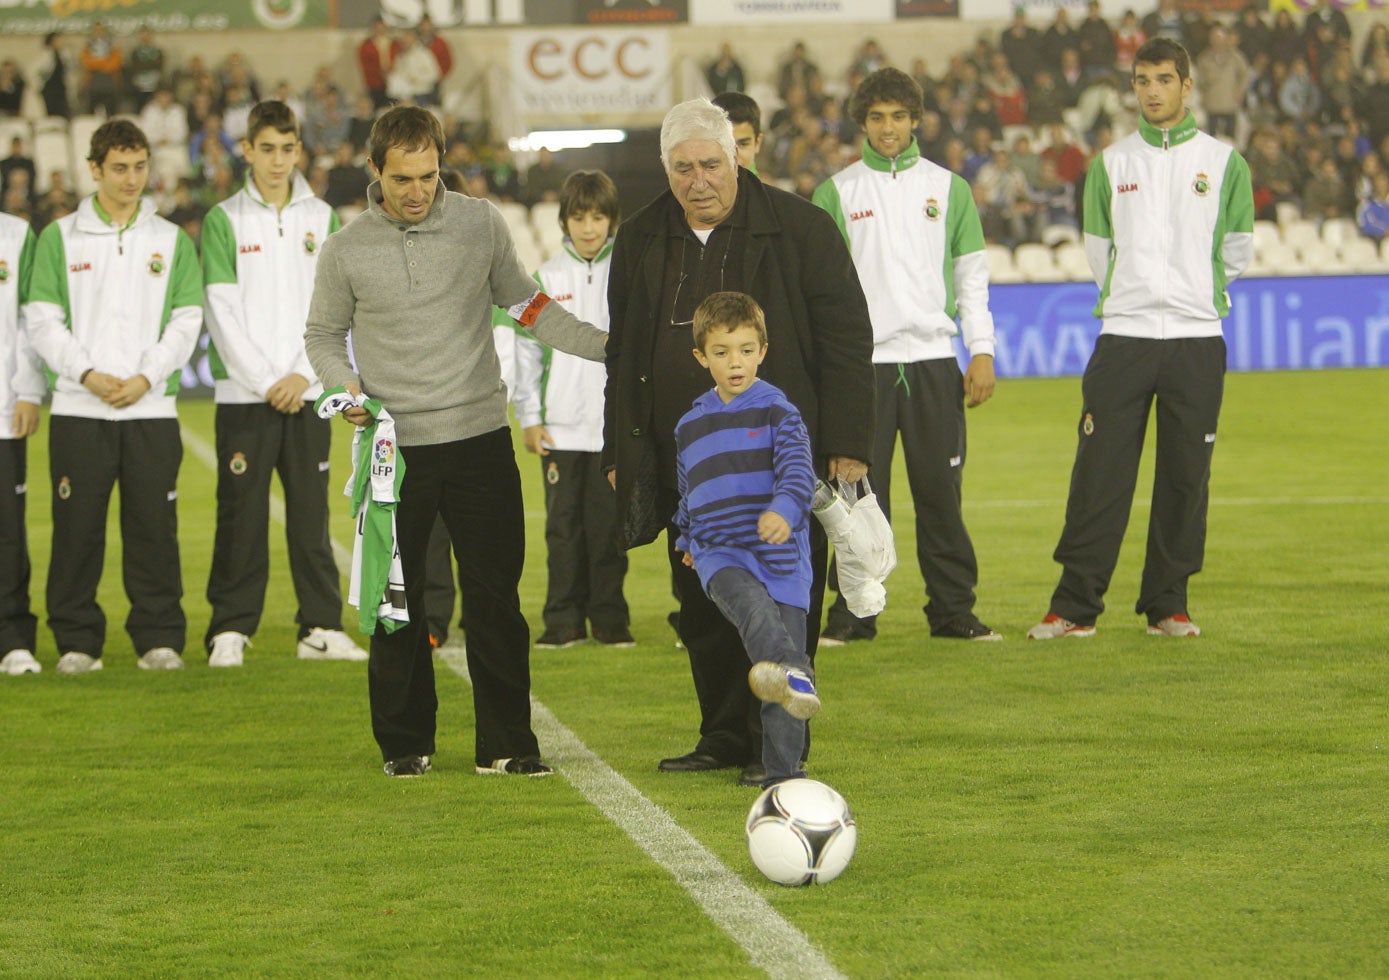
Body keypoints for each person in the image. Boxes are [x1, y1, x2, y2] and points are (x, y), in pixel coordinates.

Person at [304, 106, 608, 778]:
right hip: (394, 451)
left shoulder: (480, 224)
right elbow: (322, 337)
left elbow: (528, 306)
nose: (416, 190)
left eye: (428, 174)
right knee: (395, 603)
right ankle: (404, 744)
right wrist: (347, 389)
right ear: (375, 171)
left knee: (495, 600)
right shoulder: (344, 249)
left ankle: (507, 745)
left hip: (479, 439)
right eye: (401, 178)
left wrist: (606, 347)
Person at [603, 98, 874, 786]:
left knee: (783, 606)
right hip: (685, 468)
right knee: (699, 607)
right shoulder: (639, 237)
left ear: (737, 159)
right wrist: (621, 452)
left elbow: (846, 341)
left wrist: (845, 443)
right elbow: (624, 352)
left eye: (711, 164)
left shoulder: (800, 229)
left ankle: (776, 746)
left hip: (776, 465)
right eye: (683, 167)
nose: (699, 180)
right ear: (666, 168)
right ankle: (722, 735)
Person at [1027, 38, 1254, 642]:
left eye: (1162, 79)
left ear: (1186, 86)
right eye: (1142, 80)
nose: (1151, 90)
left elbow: (1236, 254)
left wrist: (1188, 297)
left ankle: (1168, 603)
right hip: (1123, 338)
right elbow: (1100, 256)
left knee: (1185, 476)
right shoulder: (1110, 163)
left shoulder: (1225, 163)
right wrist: (1134, 298)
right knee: (1099, 475)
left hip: (1196, 339)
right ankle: (1075, 606)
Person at [812, 68, 1001, 646]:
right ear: (862, 123)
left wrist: (982, 349)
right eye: (876, 118)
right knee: (857, 502)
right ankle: (853, 617)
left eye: (898, 116)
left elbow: (972, 278)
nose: (888, 128)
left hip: (933, 362)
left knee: (941, 497)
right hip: (860, 372)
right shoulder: (836, 192)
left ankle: (952, 613)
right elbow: (821, 293)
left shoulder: (950, 189)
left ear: (916, 120)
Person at [23, 119, 203, 673]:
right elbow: (42, 318)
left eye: (140, 166)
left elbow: (187, 316)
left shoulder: (169, 240)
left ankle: (158, 638)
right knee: (77, 530)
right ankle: (77, 641)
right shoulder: (60, 237)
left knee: (154, 528)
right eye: (119, 168)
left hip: (150, 409)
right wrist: (89, 373)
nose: (132, 178)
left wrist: (147, 377)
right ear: (94, 169)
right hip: (82, 409)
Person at [199, 101, 366, 669]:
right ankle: (231, 628)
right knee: (239, 515)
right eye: (265, 148)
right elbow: (220, 310)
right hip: (246, 397)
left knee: (311, 515)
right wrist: (269, 380)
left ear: (300, 150)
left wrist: (302, 374)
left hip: (308, 391)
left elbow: (335, 310)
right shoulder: (224, 220)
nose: (276, 160)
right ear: (247, 150)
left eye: (286, 148)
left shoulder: (322, 219)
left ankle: (318, 626)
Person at [675, 292, 819, 787]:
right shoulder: (690, 425)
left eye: (745, 349)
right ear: (701, 357)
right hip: (722, 555)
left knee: (778, 686)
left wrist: (784, 509)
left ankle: (783, 776)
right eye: (721, 352)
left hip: (782, 559)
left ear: (762, 350)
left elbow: (800, 471)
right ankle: (795, 669)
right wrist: (687, 537)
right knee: (757, 619)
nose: (734, 362)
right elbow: (686, 489)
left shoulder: (780, 412)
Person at [510, 171, 631, 650]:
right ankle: (562, 621)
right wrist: (530, 418)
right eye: (579, 217)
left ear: (611, 220)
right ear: (564, 221)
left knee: (609, 533)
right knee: (562, 533)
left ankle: (610, 620)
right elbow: (527, 354)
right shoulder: (545, 278)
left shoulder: (626, 270)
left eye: (598, 217)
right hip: (559, 432)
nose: (588, 227)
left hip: (610, 432)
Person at [0, 210, 43, 676]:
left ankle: (11, 640)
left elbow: (29, 321)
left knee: (7, 533)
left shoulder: (14, 235)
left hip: (2, 409)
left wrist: (29, 390)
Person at [711, 91, 764, 174]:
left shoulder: (761, 187)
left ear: (757, 143)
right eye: (725, 145)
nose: (734, 157)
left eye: (743, 144)